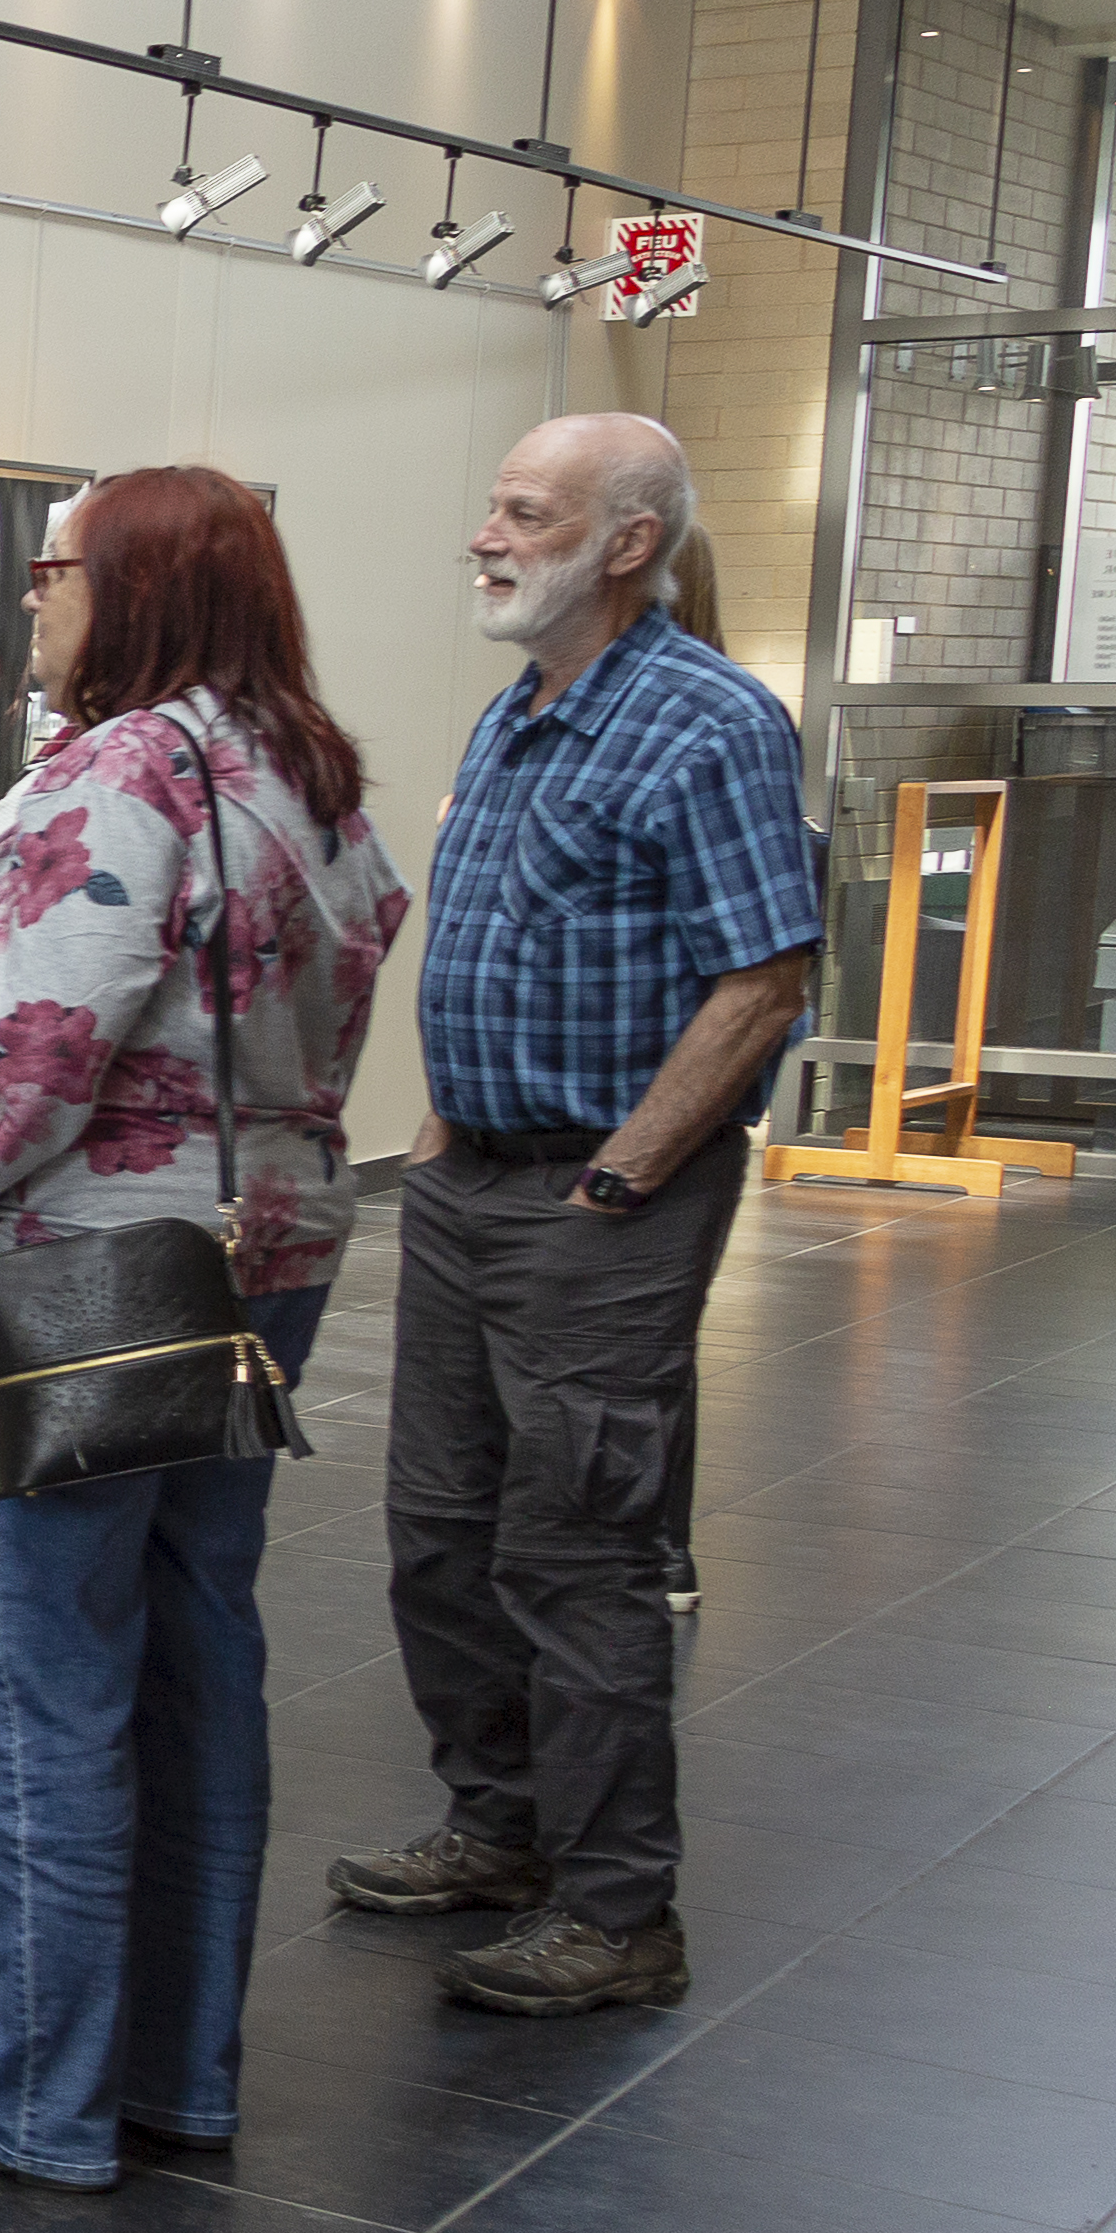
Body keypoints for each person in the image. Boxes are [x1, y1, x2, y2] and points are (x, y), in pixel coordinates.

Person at [0, 468, 404, 2189]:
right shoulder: (303, 774)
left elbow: (43, 1026)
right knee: (189, 1652)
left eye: (52, 569)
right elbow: (363, 959)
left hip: (77, 1264)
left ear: (141, 585)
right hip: (262, 1254)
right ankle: (174, 2073)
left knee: (32, 1675)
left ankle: (34, 2096)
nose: (33, 598)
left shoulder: (123, 768)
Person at [330, 413, 818, 2016]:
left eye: (522, 513)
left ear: (625, 542)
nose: (485, 536)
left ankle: (619, 1914)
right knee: (440, 1541)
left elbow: (765, 979)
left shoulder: (709, 724)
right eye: (491, 507)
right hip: (474, 1180)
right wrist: (442, 1127)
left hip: (603, 1200)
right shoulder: (518, 714)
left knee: (575, 1553)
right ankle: (502, 1830)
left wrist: (623, 1172)